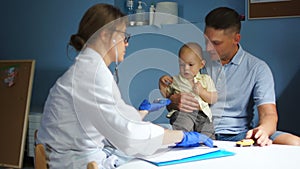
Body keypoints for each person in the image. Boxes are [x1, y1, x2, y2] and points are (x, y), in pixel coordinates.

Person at [36, 4, 214, 169]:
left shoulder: (91, 69)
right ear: (106, 35)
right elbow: (127, 133)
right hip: (73, 161)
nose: (127, 43)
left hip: (77, 153)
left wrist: (143, 112)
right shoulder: (91, 74)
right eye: (124, 35)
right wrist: (181, 137)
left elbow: (116, 116)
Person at [163, 7, 300, 146]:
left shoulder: (258, 68)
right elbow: (173, 102)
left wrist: (262, 131)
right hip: (197, 129)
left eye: (216, 43)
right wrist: (174, 100)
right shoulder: (195, 61)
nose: (208, 48)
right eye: (206, 41)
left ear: (236, 38)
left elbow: (268, 114)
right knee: (152, 134)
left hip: (238, 134)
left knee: (294, 142)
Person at [159, 42, 217, 139]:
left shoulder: (205, 79)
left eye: (190, 64)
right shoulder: (175, 80)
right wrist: (162, 85)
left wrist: (202, 92)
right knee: (182, 130)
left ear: (201, 64)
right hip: (183, 113)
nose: (186, 68)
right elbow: (167, 96)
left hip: (203, 114)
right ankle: (182, 144)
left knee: (208, 134)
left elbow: (213, 99)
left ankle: (206, 148)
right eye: (182, 64)